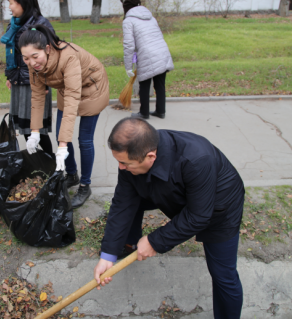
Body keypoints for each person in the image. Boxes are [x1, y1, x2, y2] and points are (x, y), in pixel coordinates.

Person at [94, 118, 244, 319]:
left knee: (223, 275)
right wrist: (108, 255)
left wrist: (154, 241)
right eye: (118, 161)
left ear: (150, 156)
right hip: (168, 188)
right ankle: (128, 245)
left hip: (219, 205)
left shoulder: (197, 158)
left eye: (124, 163)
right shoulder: (136, 153)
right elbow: (122, 203)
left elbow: (198, 216)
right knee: (132, 200)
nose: (120, 168)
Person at [19, 24, 110, 208]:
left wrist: (61, 145)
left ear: (47, 49)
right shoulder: (33, 64)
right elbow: (37, 97)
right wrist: (34, 131)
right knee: (62, 136)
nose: (31, 62)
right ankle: (72, 174)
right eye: (25, 58)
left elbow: (72, 99)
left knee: (83, 140)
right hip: (67, 89)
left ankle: (85, 185)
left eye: (35, 56)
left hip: (92, 88)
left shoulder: (68, 57)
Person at [0, 0, 53, 155]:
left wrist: (45, 82)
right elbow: (13, 53)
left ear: (23, 1)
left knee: (36, 129)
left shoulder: (40, 24)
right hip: (19, 81)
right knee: (24, 128)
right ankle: (38, 164)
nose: (10, 7)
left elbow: (50, 57)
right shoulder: (14, 24)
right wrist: (10, 76)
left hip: (36, 84)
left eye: (12, 2)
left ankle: (51, 165)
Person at [122, 0, 174, 120]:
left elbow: (129, 45)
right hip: (162, 52)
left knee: (144, 85)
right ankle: (161, 111)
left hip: (147, 54)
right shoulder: (151, 17)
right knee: (160, 84)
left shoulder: (128, 21)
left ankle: (144, 113)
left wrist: (128, 67)